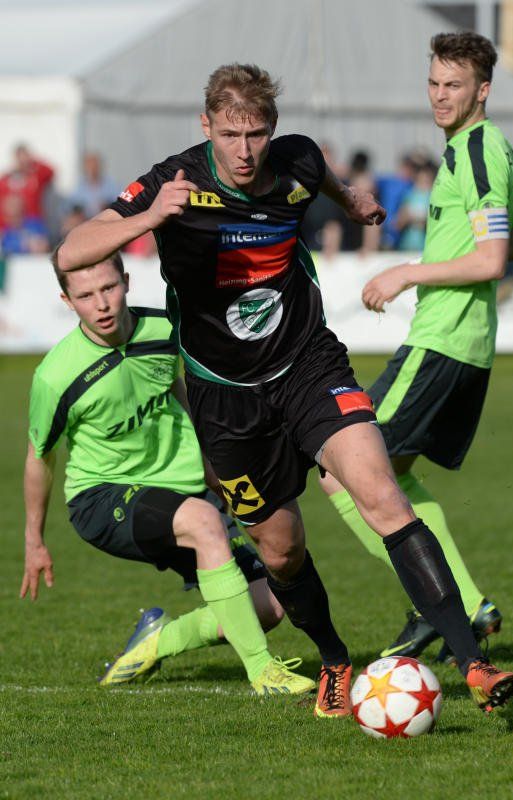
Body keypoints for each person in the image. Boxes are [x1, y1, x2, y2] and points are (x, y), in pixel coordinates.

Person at [58, 62, 513, 717]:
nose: (244, 150)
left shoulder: (296, 158)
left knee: (381, 493)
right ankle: (333, 657)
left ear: (272, 127)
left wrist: (351, 199)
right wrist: (150, 216)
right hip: (225, 397)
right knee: (281, 551)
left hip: (308, 366)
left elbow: (320, 174)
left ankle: (473, 662)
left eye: (256, 134)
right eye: (230, 135)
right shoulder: (173, 182)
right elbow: (72, 251)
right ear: (206, 126)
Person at [21, 249, 315, 697]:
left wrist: (213, 465)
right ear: (67, 301)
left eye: (108, 288)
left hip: (184, 487)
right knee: (203, 521)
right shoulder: (55, 376)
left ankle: (157, 643)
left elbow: (177, 387)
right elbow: (38, 457)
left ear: (126, 282)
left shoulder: (164, 330)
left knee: (270, 604)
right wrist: (34, 541)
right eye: (85, 296)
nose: (101, 304)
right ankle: (262, 672)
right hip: (101, 497)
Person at [321, 33, 513, 666]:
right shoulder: (479, 150)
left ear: (482, 90)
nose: (439, 96)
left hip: (443, 341)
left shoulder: (479, 151)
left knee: (341, 472)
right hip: (463, 343)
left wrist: (407, 272)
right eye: (434, 83)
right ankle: (462, 603)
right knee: (392, 473)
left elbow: (492, 258)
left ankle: (447, 602)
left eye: (453, 85)